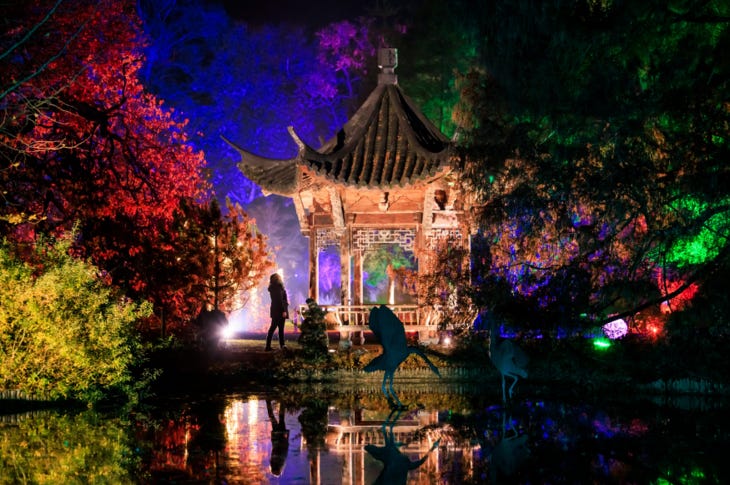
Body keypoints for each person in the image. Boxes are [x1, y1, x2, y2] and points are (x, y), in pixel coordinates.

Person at [265, 272, 289, 351]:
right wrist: (283, 310)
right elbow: (280, 300)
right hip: (279, 311)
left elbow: (282, 299)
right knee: (275, 328)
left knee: (278, 329)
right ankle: (271, 346)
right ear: (278, 279)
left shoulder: (275, 288)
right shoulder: (277, 288)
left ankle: (281, 345)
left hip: (276, 310)